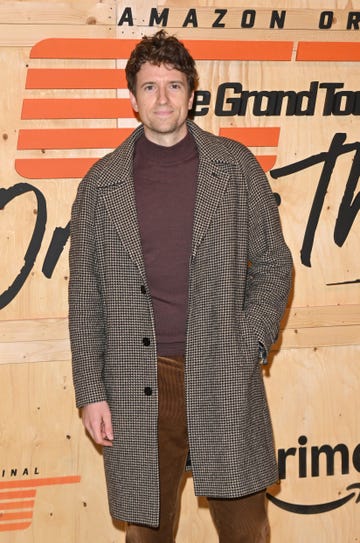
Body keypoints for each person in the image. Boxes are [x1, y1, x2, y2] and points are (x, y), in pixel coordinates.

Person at [69, 30, 293, 543]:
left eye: (174, 85)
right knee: (146, 535)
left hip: (223, 371)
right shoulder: (100, 187)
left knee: (247, 532)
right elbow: (85, 298)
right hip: (136, 384)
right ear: (132, 98)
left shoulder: (235, 168)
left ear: (192, 94)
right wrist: (91, 392)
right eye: (150, 87)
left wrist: (250, 342)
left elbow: (275, 264)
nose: (163, 98)